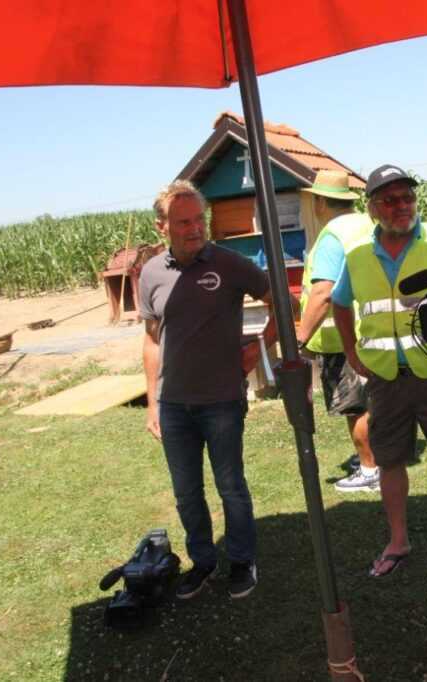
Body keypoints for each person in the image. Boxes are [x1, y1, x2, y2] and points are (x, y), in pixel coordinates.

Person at [332, 164, 427, 578]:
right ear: (372, 208)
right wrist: (350, 351)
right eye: (390, 200)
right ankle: (398, 541)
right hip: (385, 379)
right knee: (389, 461)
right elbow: (340, 303)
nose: (402, 206)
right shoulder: (357, 255)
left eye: (408, 197)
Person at [140, 180, 292, 600]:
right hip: (173, 405)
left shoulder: (229, 263)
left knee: (230, 486)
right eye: (183, 222)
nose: (194, 228)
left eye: (199, 220)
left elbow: (284, 302)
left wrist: (259, 349)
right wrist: (152, 403)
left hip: (222, 401)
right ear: (161, 227)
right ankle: (203, 562)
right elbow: (151, 340)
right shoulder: (151, 273)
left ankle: (242, 562)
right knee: (186, 493)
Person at [295, 170, 381, 493]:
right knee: (374, 402)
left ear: (319, 202)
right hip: (373, 329)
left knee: (355, 407)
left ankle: (370, 470)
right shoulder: (367, 224)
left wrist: (301, 337)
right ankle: (380, 459)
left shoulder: (332, 235)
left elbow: (323, 294)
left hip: (343, 338)